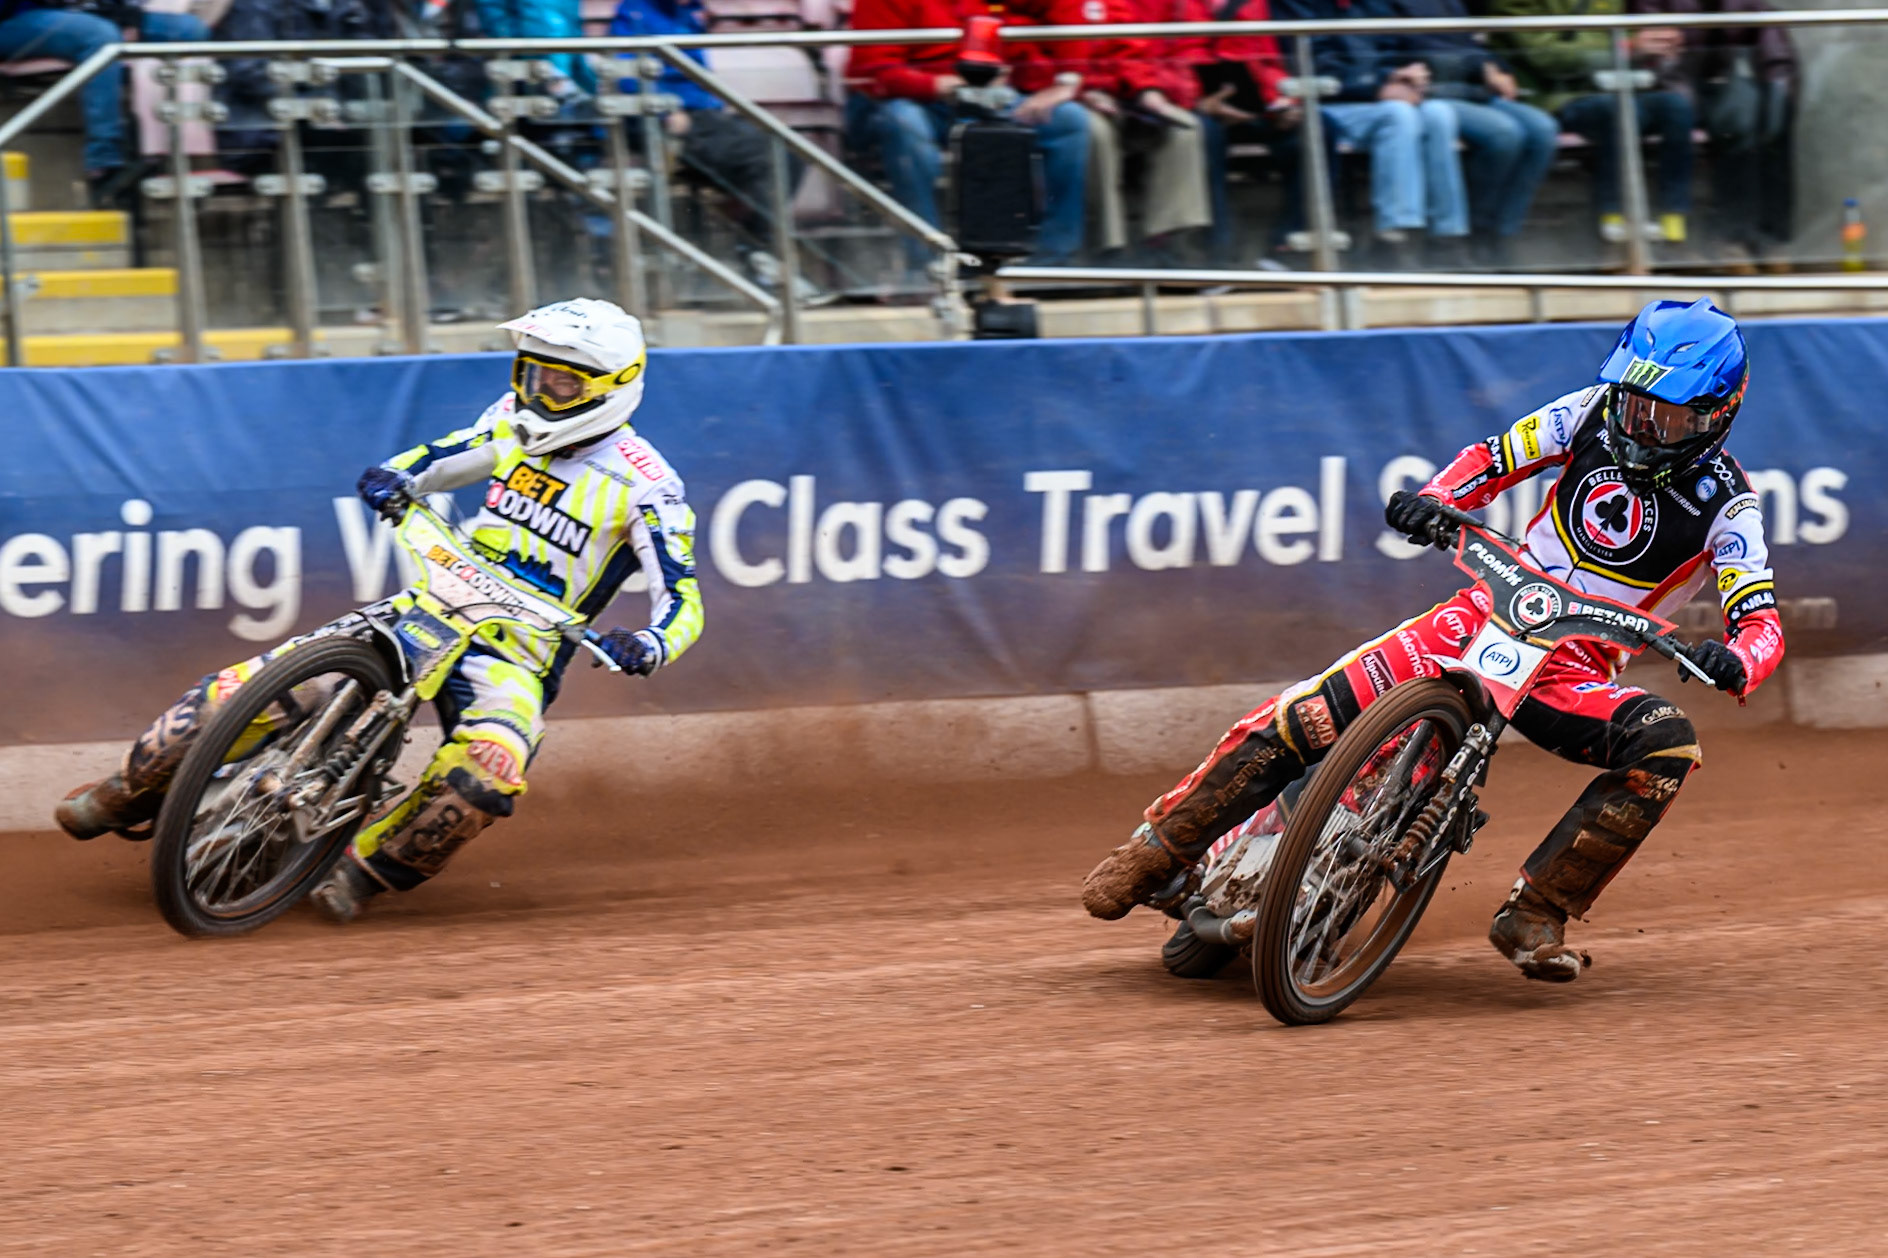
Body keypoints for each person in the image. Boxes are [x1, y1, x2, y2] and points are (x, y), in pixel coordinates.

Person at [1082, 298, 1785, 980]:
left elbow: (1761, 624)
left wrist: (1735, 661)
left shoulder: (1731, 506)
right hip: (1484, 609)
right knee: (1311, 712)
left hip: (1573, 668)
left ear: (1715, 415)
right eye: (1633, 402)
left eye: (1663, 415)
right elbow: (1497, 456)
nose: (1640, 424)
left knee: (1667, 745)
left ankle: (1537, 910)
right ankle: (1157, 850)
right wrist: (1439, 498)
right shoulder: (1589, 413)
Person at [55, 299, 705, 922]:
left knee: (492, 768)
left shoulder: (648, 486)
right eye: (534, 374)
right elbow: (447, 456)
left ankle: (361, 874)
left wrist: (648, 644)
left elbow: (682, 598)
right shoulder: (513, 419)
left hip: (516, 652)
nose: (543, 393)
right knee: (257, 685)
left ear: (611, 388)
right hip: (433, 600)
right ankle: (126, 792)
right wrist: (396, 476)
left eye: (562, 384)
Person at [845, 0, 1090, 268]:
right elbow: (872, 71)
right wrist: (935, 84)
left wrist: (1063, 79)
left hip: (984, 93)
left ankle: (1050, 261)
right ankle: (930, 263)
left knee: (1069, 120)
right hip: (909, 99)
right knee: (905, 123)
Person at [611, 0, 814, 298]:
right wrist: (666, 112)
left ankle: (758, 248)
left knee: (791, 154)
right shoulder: (635, 12)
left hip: (705, 117)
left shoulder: (690, 13)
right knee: (768, 156)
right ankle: (760, 256)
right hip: (663, 120)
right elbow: (625, 72)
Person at [1271, 0, 1470, 267]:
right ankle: (1391, 239)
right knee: (1399, 115)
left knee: (1439, 114)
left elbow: (1397, 47)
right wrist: (1377, 85)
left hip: (1384, 98)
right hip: (1327, 102)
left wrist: (1408, 74)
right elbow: (1313, 63)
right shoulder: (1296, 5)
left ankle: (1446, 238)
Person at [1363, 0, 1558, 268]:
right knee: (1504, 134)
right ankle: (1476, 228)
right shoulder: (1385, 5)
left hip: (1473, 90)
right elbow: (1412, 51)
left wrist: (1497, 67)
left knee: (1542, 130)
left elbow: (1471, 42)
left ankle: (1502, 230)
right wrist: (1479, 66)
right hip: (1430, 93)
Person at [1490, 0, 1695, 246]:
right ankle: (1612, 217)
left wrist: (1654, 41)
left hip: (1612, 86)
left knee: (1676, 106)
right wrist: (1625, 47)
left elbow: (1621, 33)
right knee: (1620, 110)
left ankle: (1673, 215)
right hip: (1551, 97)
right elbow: (1546, 57)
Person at [1634, 0, 1796, 270]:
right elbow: (1657, 51)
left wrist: (1778, 87)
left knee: (1765, 115)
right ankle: (1731, 239)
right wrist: (1684, 100)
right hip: (1668, 88)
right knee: (1737, 121)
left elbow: (1771, 37)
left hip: (1722, 80)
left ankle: (1770, 237)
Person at [0, 0, 209, 207]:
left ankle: (175, 157)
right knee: (101, 36)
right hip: (18, 17)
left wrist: (126, 18)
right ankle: (104, 162)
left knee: (190, 30)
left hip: (99, 14)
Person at [213, 0, 392, 179]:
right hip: (261, 133)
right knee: (359, 152)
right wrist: (316, 109)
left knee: (393, 143)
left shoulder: (346, 7)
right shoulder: (254, 6)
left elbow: (366, 64)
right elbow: (249, 72)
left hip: (325, 126)